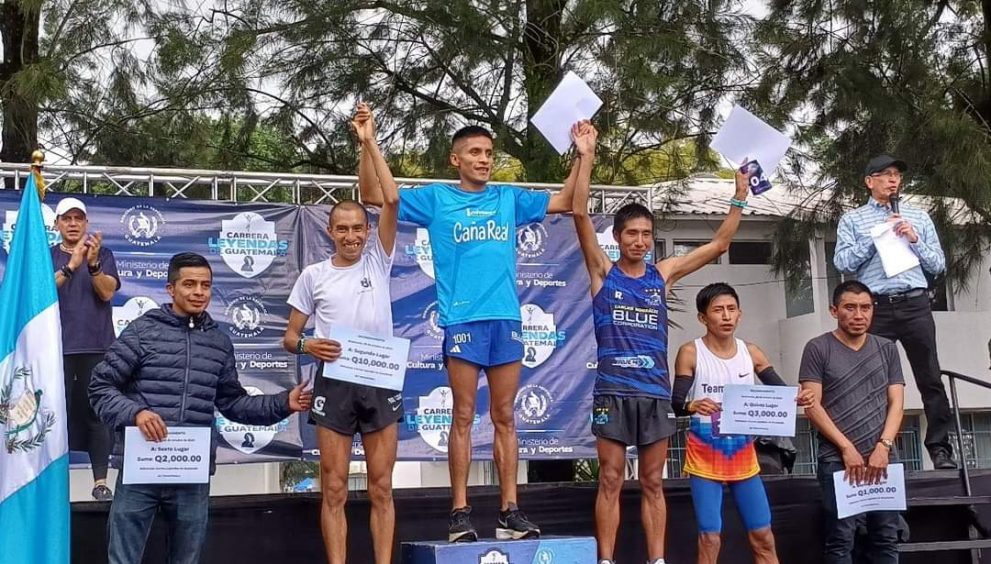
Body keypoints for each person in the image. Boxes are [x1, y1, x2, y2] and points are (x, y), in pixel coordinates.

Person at [359, 122, 587, 542]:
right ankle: (459, 512)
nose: (484, 160)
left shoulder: (507, 198)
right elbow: (374, 195)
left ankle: (509, 512)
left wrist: (583, 154)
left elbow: (570, 200)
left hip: (507, 320)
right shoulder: (436, 199)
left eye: (489, 153)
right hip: (463, 320)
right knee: (462, 415)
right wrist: (368, 142)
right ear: (456, 159)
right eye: (476, 153)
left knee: (505, 417)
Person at [572, 124, 753, 564]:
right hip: (613, 391)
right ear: (616, 238)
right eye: (631, 234)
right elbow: (578, 212)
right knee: (611, 478)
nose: (639, 241)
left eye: (646, 234)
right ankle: (606, 560)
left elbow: (720, 243)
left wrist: (740, 193)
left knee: (653, 481)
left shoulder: (662, 273)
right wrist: (587, 154)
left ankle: (656, 560)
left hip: (654, 393)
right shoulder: (603, 272)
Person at [89, 252, 312, 564]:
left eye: (205, 285)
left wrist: (282, 403)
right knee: (122, 559)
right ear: (171, 289)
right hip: (140, 470)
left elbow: (233, 403)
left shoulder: (219, 342)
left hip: (190, 474)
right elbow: (100, 387)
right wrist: (135, 414)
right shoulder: (142, 331)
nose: (198, 292)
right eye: (189, 284)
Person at [283, 103, 401, 564]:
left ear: (368, 231)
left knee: (381, 486)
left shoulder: (378, 259)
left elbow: (390, 199)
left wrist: (368, 141)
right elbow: (290, 337)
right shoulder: (313, 275)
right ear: (329, 232)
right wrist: (309, 343)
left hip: (380, 378)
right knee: (333, 486)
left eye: (358, 228)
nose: (351, 236)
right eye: (342, 229)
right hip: (334, 380)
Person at [672, 283, 815, 564]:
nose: (725, 316)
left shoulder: (750, 352)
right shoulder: (691, 352)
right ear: (703, 318)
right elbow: (676, 403)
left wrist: (799, 397)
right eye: (717, 310)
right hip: (705, 457)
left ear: (740, 314)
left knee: (763, 534)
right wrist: (692, 405)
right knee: (710, 537)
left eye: (731, 309)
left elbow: (782, 393)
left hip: (743, 456)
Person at [833, 154, 953, 469]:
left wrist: (913, 238)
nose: (893, 180)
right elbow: (843, 263)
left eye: (897, 174)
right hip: (875, 308)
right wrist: (877, 238)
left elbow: (938, 265)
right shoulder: (854, 219)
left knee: (930, 377)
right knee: (872, 380)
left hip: (915, 303)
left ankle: (941, 449)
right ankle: (873, 448)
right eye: (885, 174)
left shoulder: (919, 216)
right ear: (869, 181)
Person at [799, 281, 905, 564]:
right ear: (834, 310)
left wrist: (884, 447)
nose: (859, 315)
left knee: (886, 538)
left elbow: (897, 403)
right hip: (838, 460)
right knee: (840, 539)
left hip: (883, 459)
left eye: (865, 308)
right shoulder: (817, 348)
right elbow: (812, 406)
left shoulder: (887, 348)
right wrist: (846, 448)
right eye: (850, 307)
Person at [51, 196, 120, 501]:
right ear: (57, 224)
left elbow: (107, 293)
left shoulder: (103, 254)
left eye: (79, 218)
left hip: (97, 346)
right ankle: (51, 484)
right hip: (54, 348)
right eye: (67, 218)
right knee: (54, 417)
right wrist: (71, 265)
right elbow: (39, 294)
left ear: (86, 223)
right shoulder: (45, 255)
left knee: (97, 414)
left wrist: (91, 265)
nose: (73, 224)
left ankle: (100, 482)